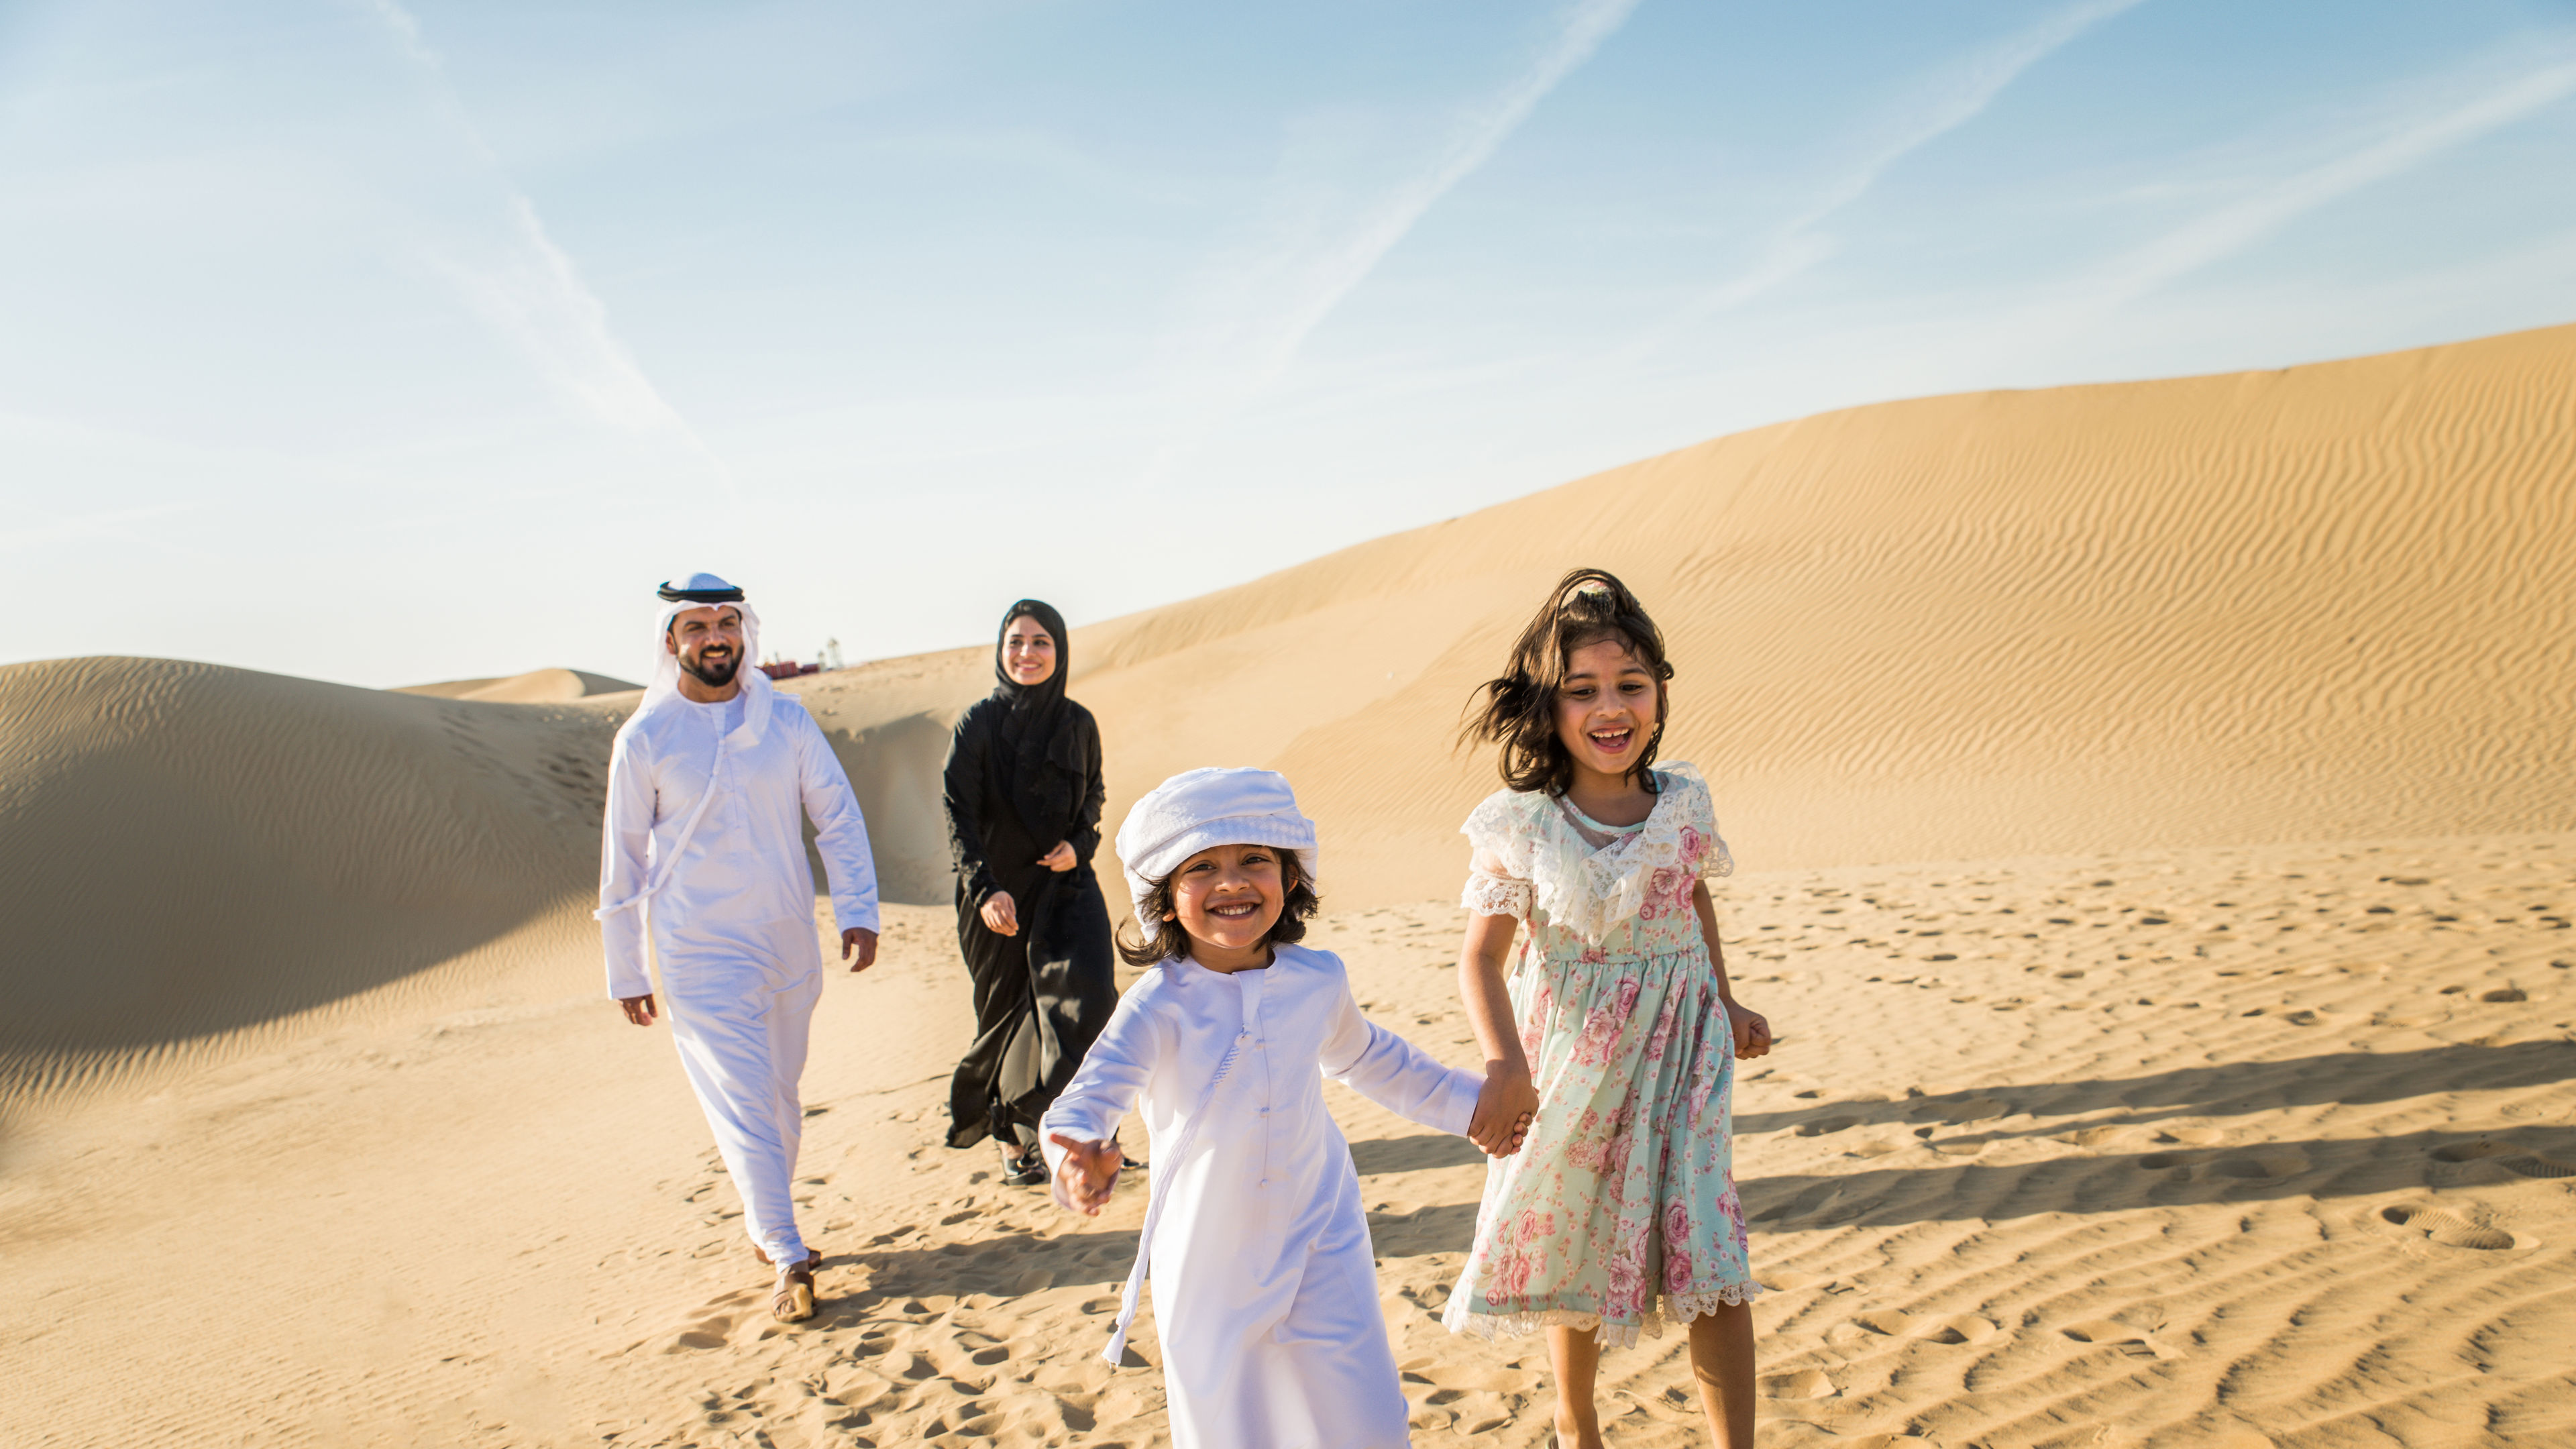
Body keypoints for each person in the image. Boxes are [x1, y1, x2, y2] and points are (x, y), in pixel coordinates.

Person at [1042, 768, 1521, 1449]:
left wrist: (1478, 1107)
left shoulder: (1316, 978)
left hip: (1323, 1236)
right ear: (1164, 896)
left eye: (1255, 861)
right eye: (1202, 866)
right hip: (1211, 1257)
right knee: (1231, 1431)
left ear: (1290, 878)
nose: (1232, 882)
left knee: (1366, 1421)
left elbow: (1373, 1061)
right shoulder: (1159, 1004)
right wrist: (1073, 1154)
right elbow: (1091, 1095)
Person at [1442, 568, 1776, 1449]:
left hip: (1682, 1051)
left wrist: (1727, 997)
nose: (1610, 707)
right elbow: (1480, 956)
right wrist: (1505, 1064)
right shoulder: (1522, 823)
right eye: (1582, 690)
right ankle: (1575, 1421)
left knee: (1712, 1249)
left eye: (1631, 685)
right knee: (1577, 1236)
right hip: (1571, 1060)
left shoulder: (1684, 801)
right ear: (1548, 707)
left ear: (1660, 692)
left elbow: (1691, 897)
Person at [596, 572, 882, 1324]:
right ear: (671, 643)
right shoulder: (646, 739)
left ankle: (766, 1221)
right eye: (697, 627)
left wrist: (858, 909)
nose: (716, 637)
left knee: (781, 1099)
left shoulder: (786, 722)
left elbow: (839, 818)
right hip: (697, 951)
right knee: (746, 1099)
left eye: (727, 622)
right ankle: (787, 1250)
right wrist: (625, 966)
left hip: (787, 940)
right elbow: (623, 860)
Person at [941, 599, 1119, 1185]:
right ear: (1000, 650)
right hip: (997, 900)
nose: (1027, 653)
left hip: (1065, 886)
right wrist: (986, 888)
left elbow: (1092, 796)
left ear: (1059, 652)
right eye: (1016, 641)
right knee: (1009, 1021)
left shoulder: (1079, 723)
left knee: (1087, 1002)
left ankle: (1089, 1131)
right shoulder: (978, 725)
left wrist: (1079, 845)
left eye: (1041, 642)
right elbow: (958, 815)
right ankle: (1013, 1141)